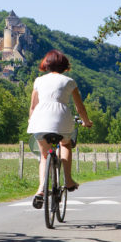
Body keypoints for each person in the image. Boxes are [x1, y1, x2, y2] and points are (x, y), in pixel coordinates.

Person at [27, 49, 93, 209]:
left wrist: (31, 121)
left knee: (44, 156)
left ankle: (41, 189)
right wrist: (86, 121)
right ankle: (68, 180)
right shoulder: (69, 82)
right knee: (65, 144)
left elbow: (33, 106)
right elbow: (80, 108)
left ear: (46, 65)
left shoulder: (38, 81)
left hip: (40, 121)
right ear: (65, 66)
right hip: (62, 119)